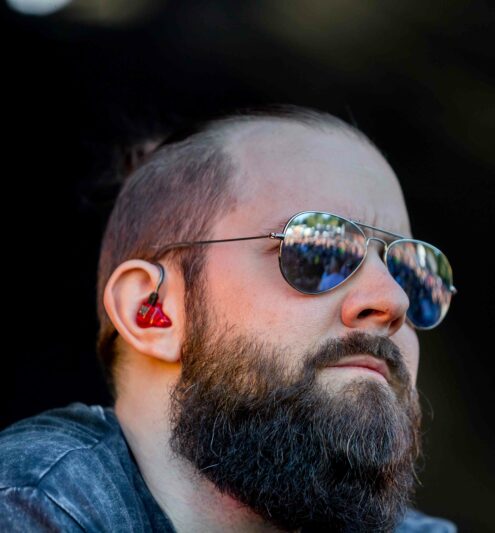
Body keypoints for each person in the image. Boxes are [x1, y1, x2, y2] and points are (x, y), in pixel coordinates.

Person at [0, 105, 457, 532]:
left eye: (411, 272)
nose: (393, 299)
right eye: (317, 250)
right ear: (151, 311)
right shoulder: (33, 505)